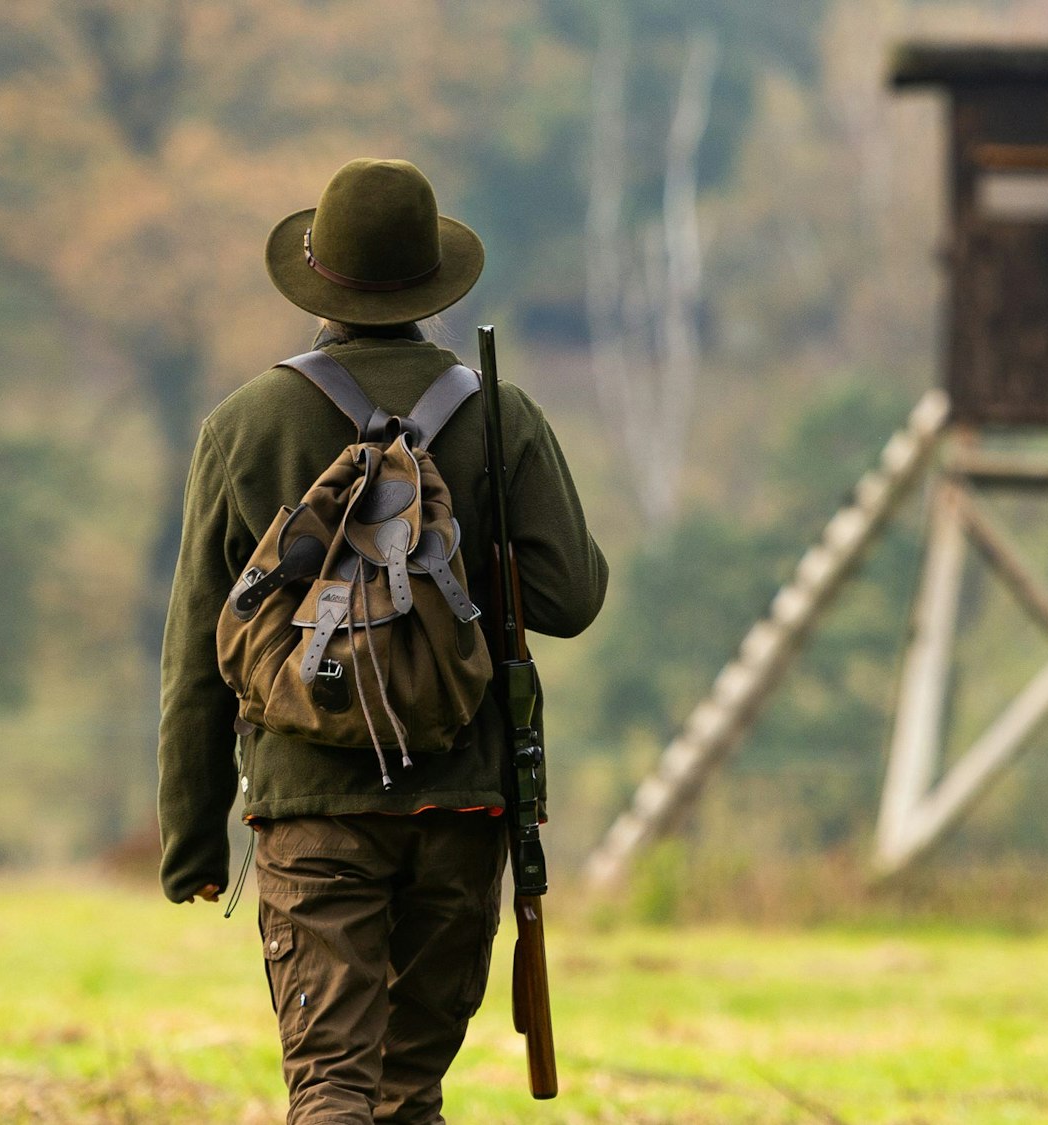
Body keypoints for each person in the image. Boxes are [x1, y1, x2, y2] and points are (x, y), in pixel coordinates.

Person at [156, 157, 608, 1123]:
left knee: (332, 1088)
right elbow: (572, 598)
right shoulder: (502, 413)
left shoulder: (243, 423)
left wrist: (192, 837)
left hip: (309, 803)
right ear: (434, 285)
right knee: (409, 1095)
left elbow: (200, 645)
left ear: (316, 282)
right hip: (460, 807)